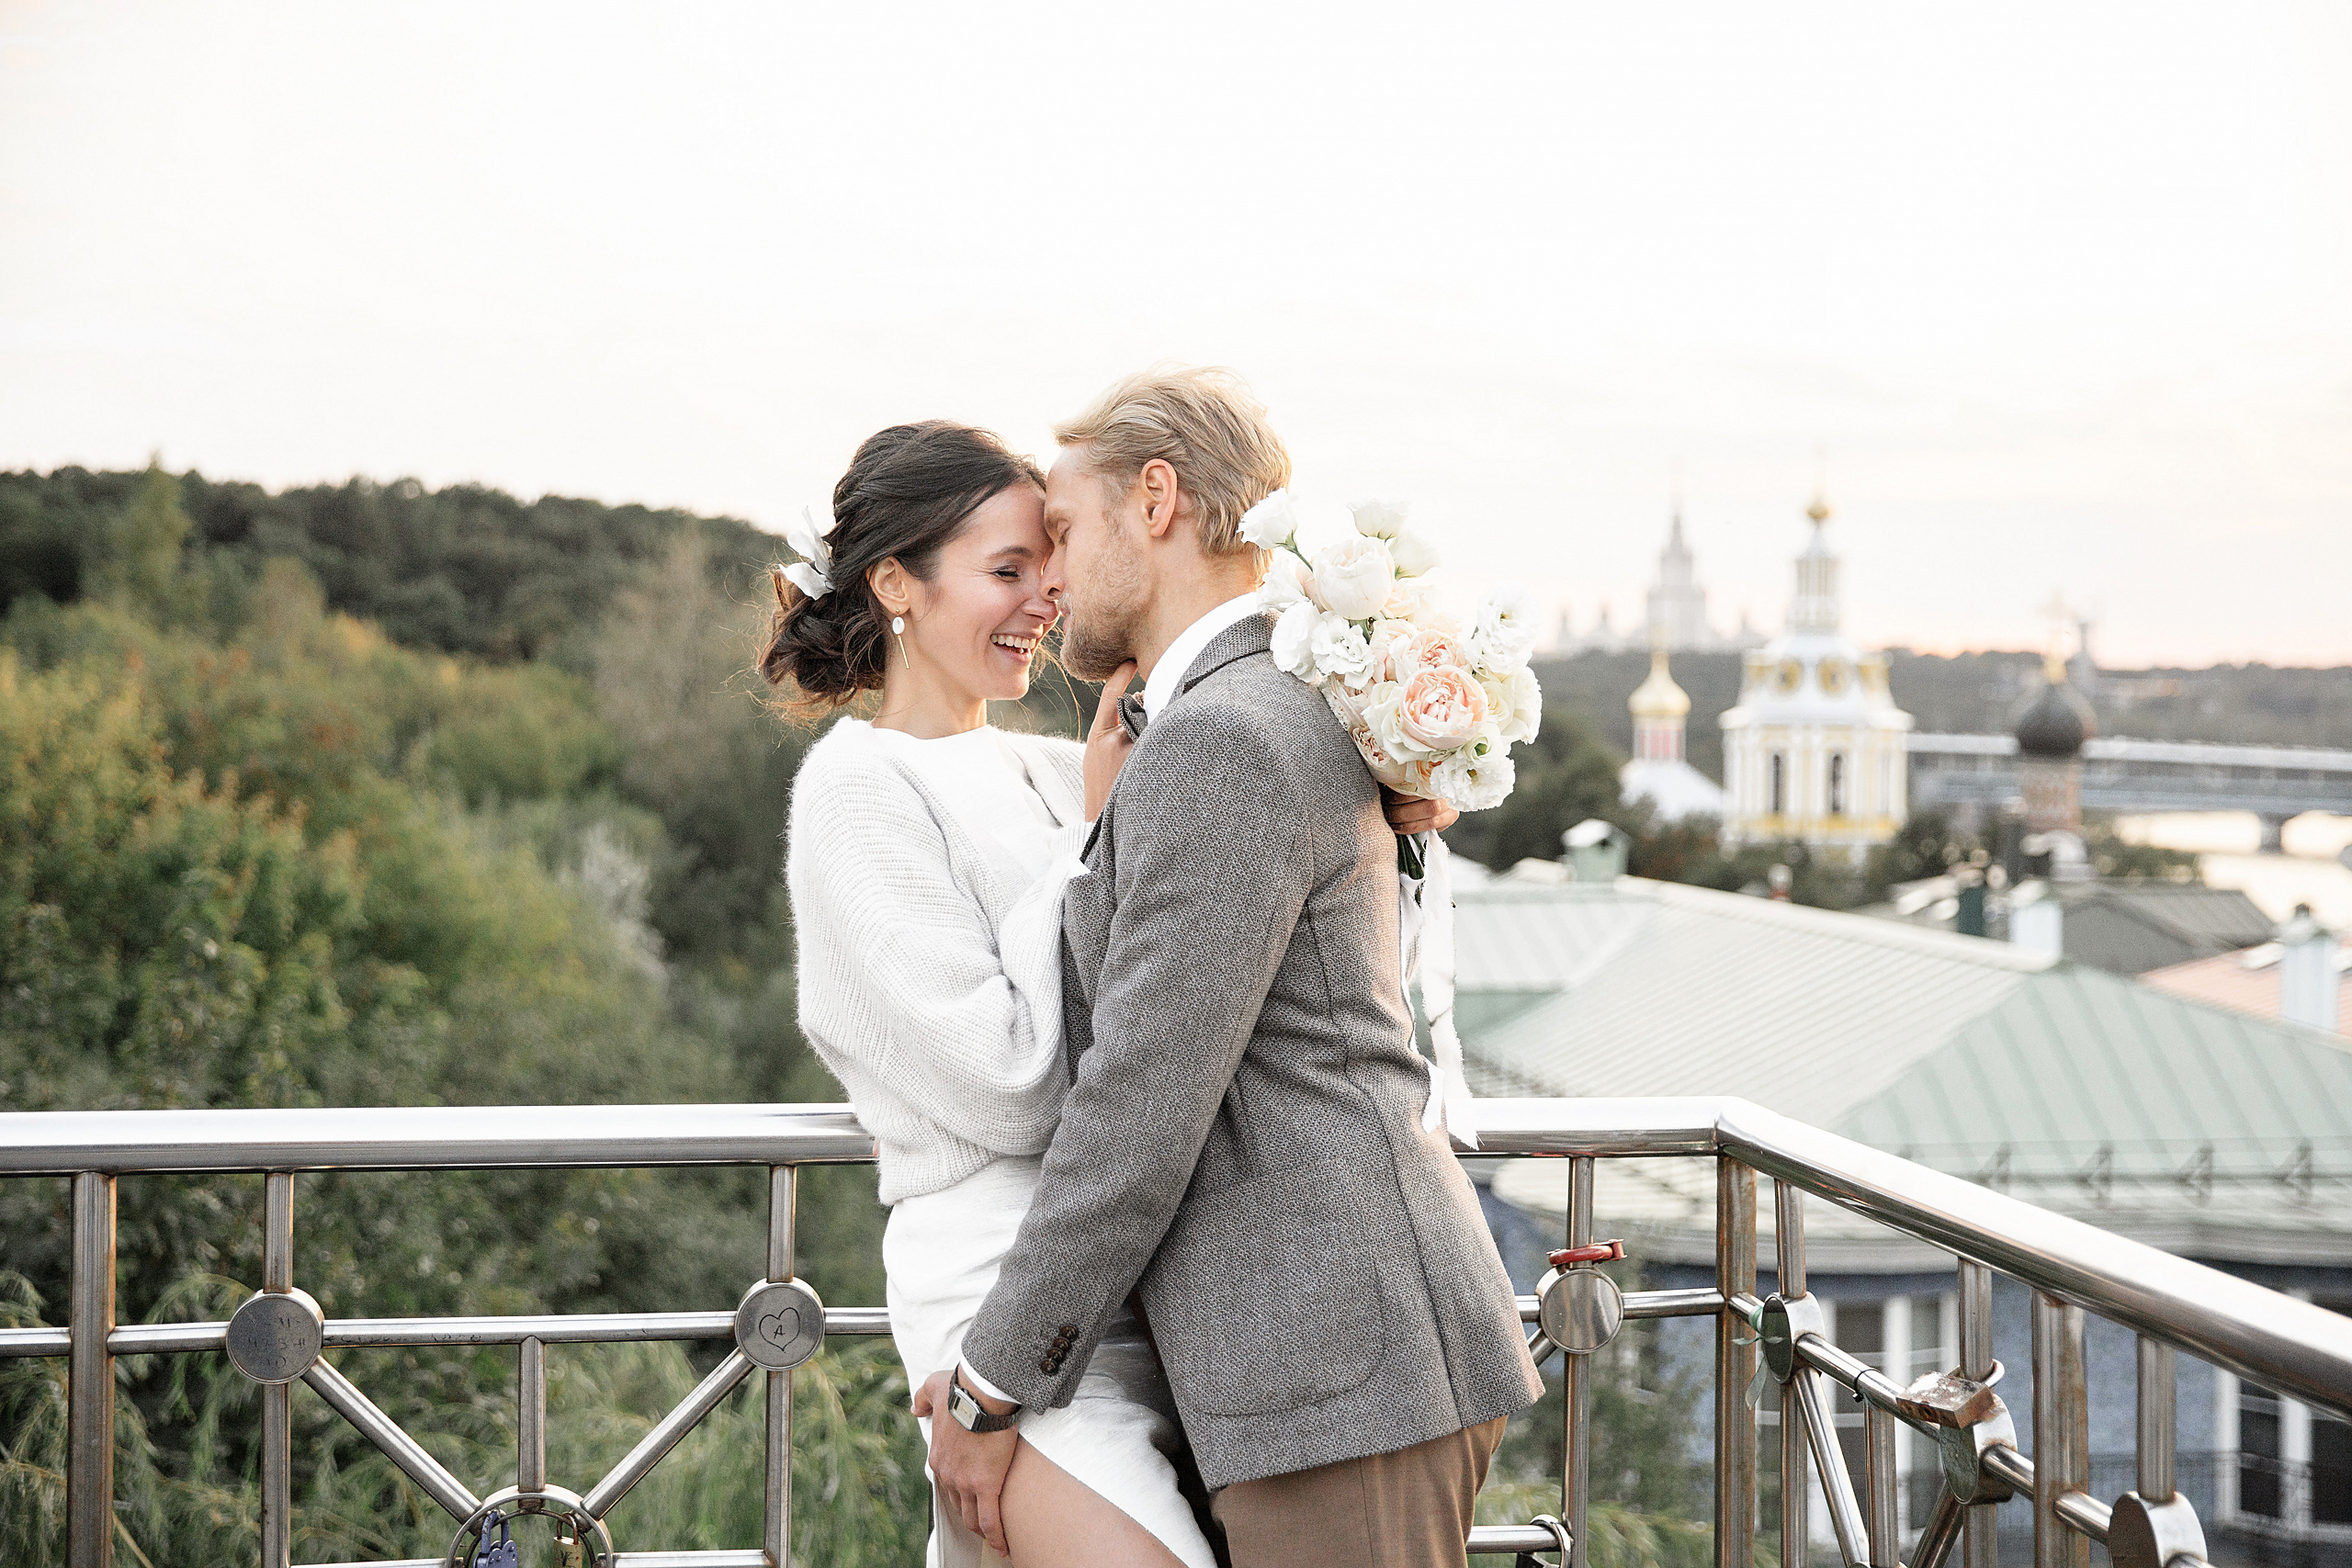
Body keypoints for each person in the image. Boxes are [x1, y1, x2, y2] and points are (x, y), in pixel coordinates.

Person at [769, 418, 1449, 1567]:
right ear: (894, 584)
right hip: (1000, 1286)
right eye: (1006, 570)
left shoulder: (1054, 765)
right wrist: (1093, 835)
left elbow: (1244, 974)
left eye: (1049, 562)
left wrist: (1384, 818)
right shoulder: (859, 791)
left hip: (1152, 1297)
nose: (1047, 597)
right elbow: (1008, 1087)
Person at [922, 368, 1543, 1568]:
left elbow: (1141, 1103)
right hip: (1318, 1358)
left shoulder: (1223, 737)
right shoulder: (1245, 710)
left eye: (1064, 529)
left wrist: (992, 1381)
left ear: (1155, 500)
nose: (1049, 578)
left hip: (1340, 1364)